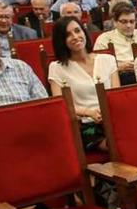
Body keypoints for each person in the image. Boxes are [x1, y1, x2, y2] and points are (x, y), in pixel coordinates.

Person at [47, 16, 120, 150]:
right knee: (117, 143)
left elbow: (117, 96)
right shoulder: (57, 67)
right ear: (61, 41)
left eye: (77, 31)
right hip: (85, 124)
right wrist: (88, 112)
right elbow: (60, 105)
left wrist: (107, 112)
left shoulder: (108, 59)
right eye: (68, 35)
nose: (75, 36)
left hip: (113, 118)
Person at [93, 1, 137, 85]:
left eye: (132, 21)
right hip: (119, 78)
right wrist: (118, 67)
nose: (129, 25)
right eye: (124, 22)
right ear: (115, 22)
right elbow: (99, 69)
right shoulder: (104, 39)